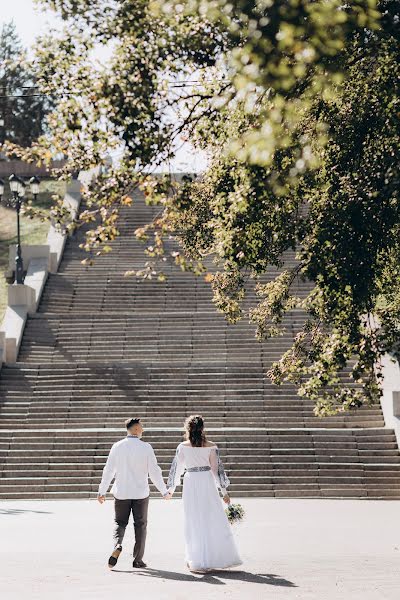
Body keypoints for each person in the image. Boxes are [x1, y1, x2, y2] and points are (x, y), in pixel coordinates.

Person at [167, 414, 242, 573]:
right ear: (202, 428)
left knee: (193, 519)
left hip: (191, 481)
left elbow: (177, 470)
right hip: (207, 482)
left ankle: (196, 558)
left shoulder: (183, 446)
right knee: (211, 518)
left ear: (188, 428)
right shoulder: (211, 446)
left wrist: (171, 489)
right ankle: (212, 557)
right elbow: (216, 471)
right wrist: (224, 492)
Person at [97, 417, 171, 569]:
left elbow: (108, 470)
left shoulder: (116, 446)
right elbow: (154, 472)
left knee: (119, 523)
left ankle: (118, 544)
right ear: (136, 428)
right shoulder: (146, 447)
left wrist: (102, 491)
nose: (143, 429)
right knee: (141, 526)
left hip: (121, 492)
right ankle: (138, 560)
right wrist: (164, 491)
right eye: (141, 427)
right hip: (140, 494)